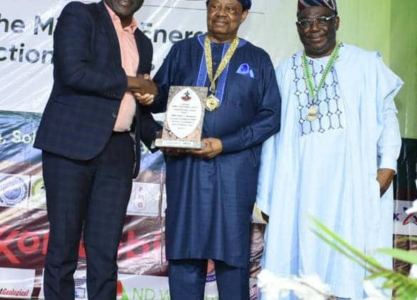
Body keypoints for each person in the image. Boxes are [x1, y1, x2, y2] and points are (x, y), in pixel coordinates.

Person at [257, 0, 402, 299]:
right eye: (305, 22)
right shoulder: (285, 71)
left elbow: (388, 116)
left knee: (350, 268)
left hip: (352, 186)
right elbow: (272, 137)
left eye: (321, 20)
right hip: (298, 189)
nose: (314, 28)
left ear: (336, 22)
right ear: (297, 27)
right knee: (298, 266)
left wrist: (387, 165)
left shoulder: (365, 63)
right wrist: (268, 194)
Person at [152, 0, 281, 299]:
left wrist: (226, 144)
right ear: (208, 10)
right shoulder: (182, 51)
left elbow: (271, 117)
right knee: (185, 255)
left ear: (244, 15)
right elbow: (158, 98)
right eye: (215, 6)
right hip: (187, 170)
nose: (221, 13)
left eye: (231, 8)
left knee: (232, 259)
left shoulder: (257, 59)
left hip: (234, 173)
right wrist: (146, 96)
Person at [33, 1, 160, 299]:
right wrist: (133, 82)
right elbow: (73, 71)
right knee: (63, 247)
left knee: (105, 252)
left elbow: (136, 108)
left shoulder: (143, 42)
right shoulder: (80, 14)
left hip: (118, 151)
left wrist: (165, 138)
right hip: (71, 146)